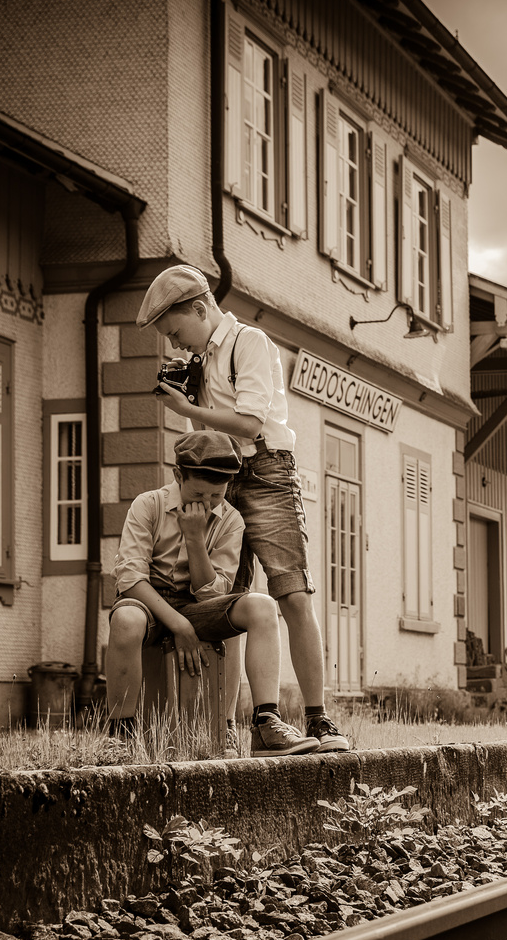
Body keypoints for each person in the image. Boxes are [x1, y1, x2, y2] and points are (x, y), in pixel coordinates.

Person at [138, 265, 350, 754]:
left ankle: (317, 720)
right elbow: (211, 435)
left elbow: (251, 423)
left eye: (176, 332)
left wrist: (187, 410)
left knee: (291, 594)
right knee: (227, 604)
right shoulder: (200, 359)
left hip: (267, 474)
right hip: (222, 478)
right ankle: (238, 727)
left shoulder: (248, 342)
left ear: (200, 307)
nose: (175, 345)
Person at [104, 430, 315, 755]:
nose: (207, 502)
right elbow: (130, 580)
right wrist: (179, 626)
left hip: (196, 607)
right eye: (199, 492)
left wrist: (194, 538)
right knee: (126, 619)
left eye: (217, 495)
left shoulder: (231, 520)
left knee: (262, 606)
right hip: (147, 603)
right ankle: (120, 738)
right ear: (178, 475)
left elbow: (212, 594)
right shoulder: (149, 505)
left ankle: (265, 724)